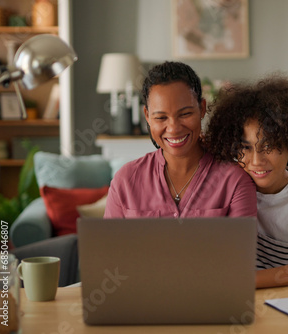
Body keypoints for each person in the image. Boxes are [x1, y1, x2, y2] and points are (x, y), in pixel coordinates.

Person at [204, 73, 288, 288]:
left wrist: (247, 281)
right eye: (245, 148)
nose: (256, 161)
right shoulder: (227, 188)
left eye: (269, 146)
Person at [104, 61, 257, 219]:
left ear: (202, 108)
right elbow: (108, 243)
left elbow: (241, 243)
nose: (173, 128)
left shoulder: (234, 180)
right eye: (161, 117)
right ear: (147, 116)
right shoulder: (125, 180)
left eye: (185, 114)